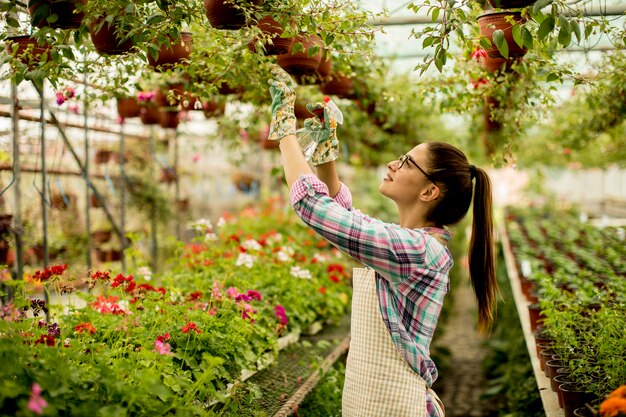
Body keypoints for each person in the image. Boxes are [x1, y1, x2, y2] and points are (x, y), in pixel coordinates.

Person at [267, 65, 497, 417]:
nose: (393, 163)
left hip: (393, 406)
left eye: (406, 162)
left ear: (430, 191)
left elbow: (314, 207)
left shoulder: (418, 251)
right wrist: (326, 158)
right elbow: (348, 224)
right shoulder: (412, 245)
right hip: (374, 402)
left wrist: (285, 129)